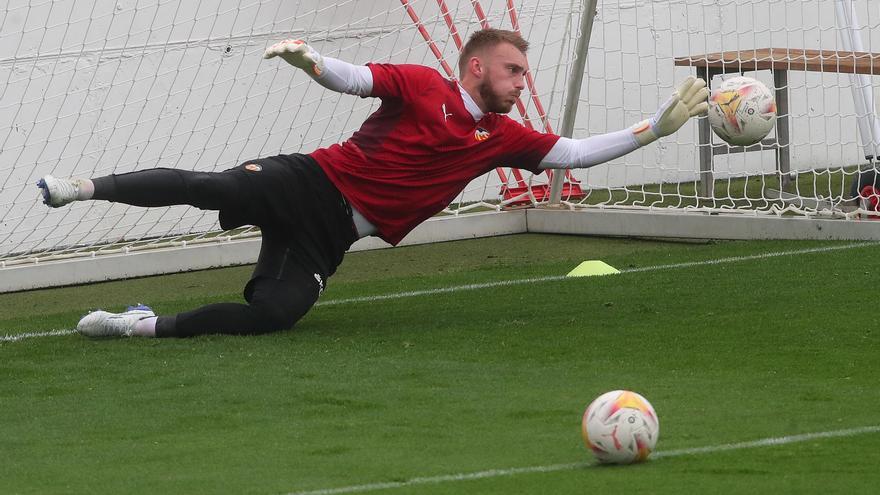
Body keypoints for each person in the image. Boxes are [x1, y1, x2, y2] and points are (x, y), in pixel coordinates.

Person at [37, 28, 709, 338]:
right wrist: (308, 61)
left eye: (524, 74)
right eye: (512, 71)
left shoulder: (503, 138)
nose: (521, 82)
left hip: (333, 235)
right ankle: (81, 187)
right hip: (309, 183)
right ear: (475, 68)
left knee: (274, 316)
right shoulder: (423, 86)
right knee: (214, 186)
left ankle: (141, 326)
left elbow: (577, 152)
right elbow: (354, 77)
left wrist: (657, 126)